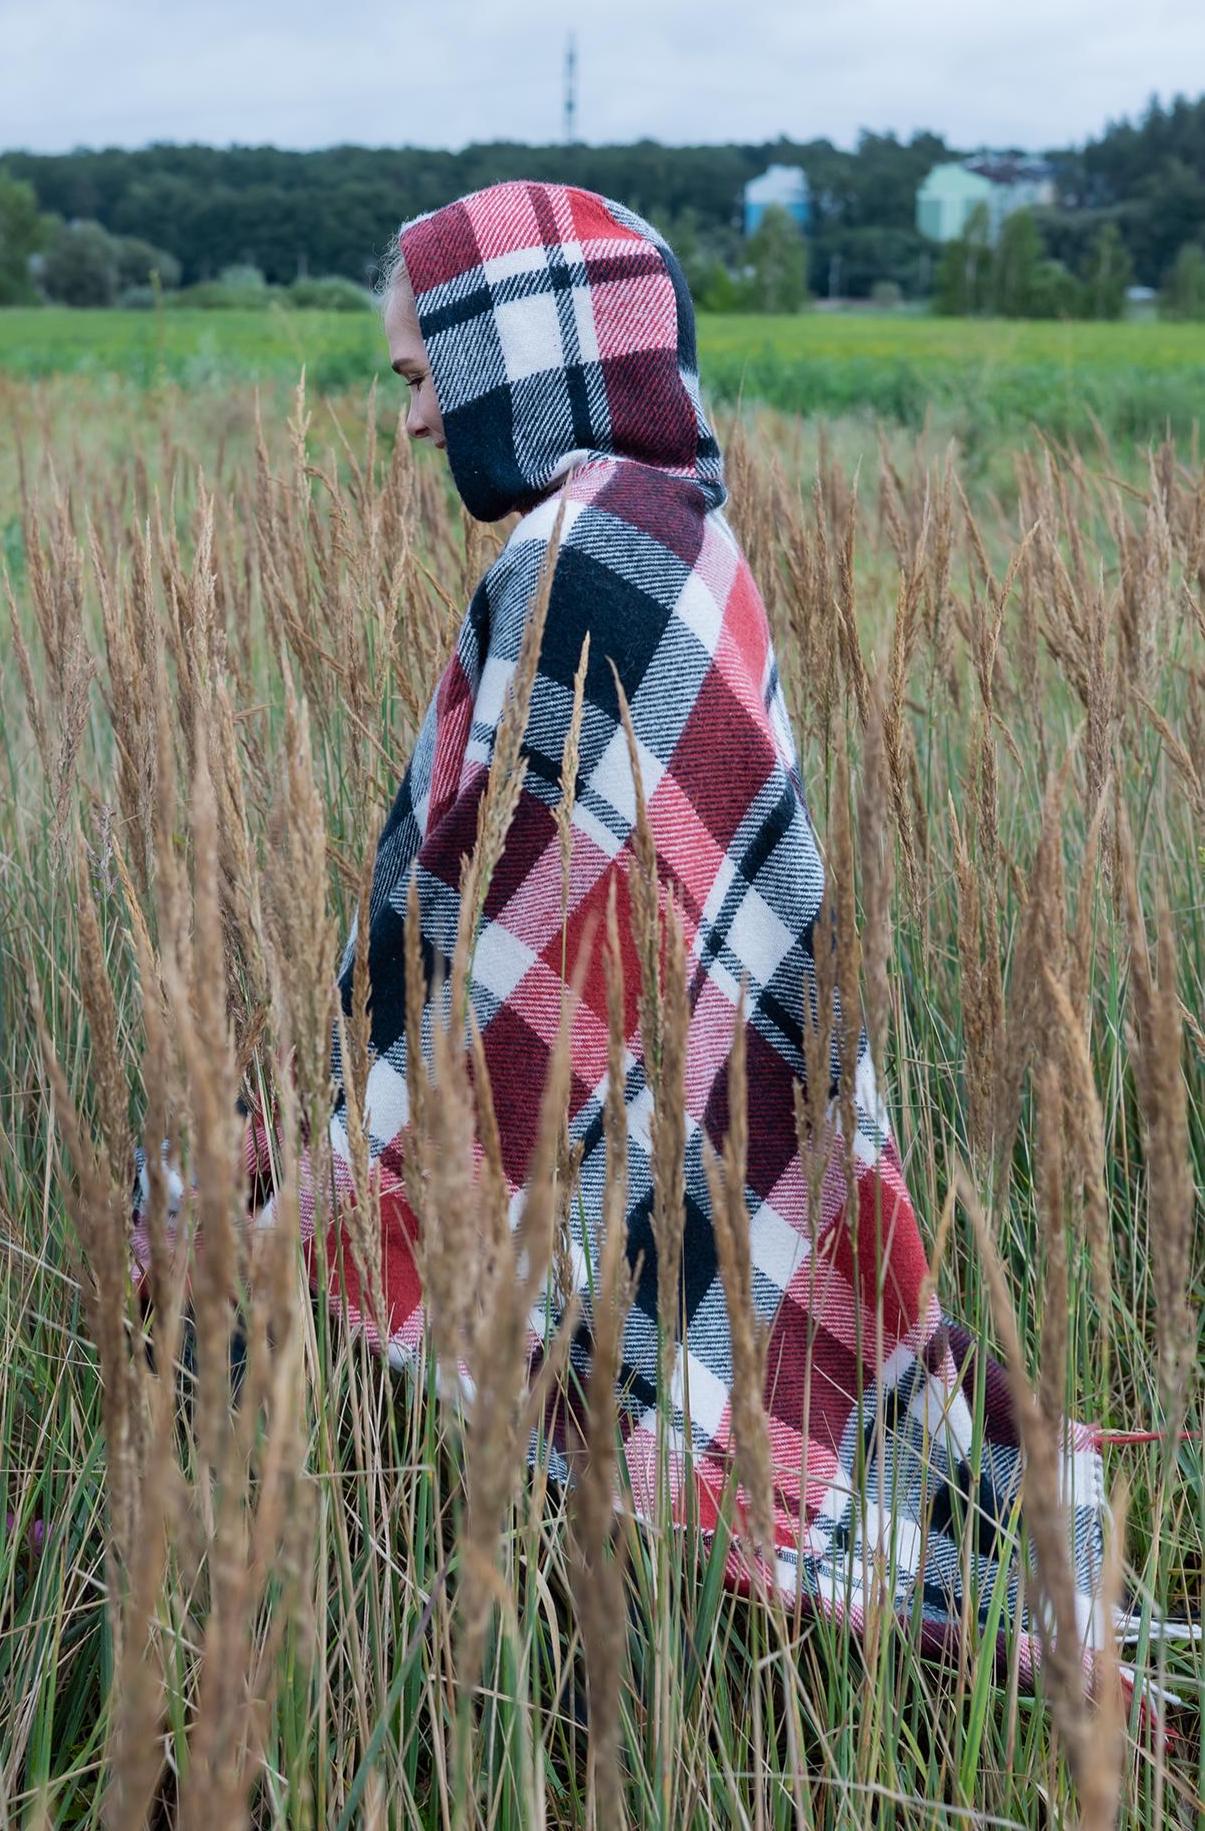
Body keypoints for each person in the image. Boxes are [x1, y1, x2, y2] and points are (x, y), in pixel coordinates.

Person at [138, 180, 1107, 1683]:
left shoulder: (586, 562)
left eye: (422, 379)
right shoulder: (659, 529)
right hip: (683, 1088)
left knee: (620, 1391)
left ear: (523, 357)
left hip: (631, 1119)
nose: (410, 426)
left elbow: (533, 917)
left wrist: (341, 1155)